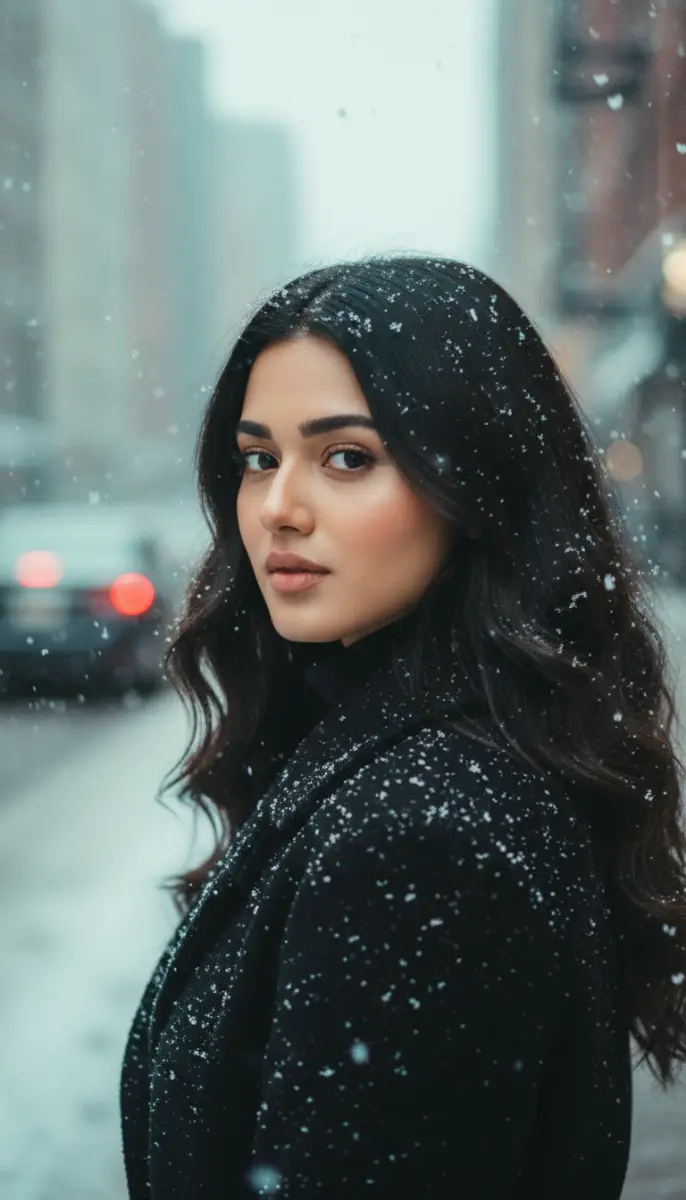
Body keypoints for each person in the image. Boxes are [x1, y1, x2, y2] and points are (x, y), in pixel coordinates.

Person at [120, 255, 686, 1198]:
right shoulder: (439, 753)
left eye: (348, 457)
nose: (279, 510)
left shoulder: (425, 836)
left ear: (478, 488)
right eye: (259, 459)